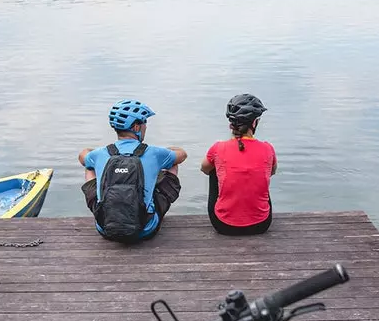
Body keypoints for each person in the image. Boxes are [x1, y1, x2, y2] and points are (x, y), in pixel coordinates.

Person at [79, 100, 187, 242]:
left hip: (105, 228)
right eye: (144, 123)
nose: (145, 127)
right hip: (145, 229)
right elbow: (182, 155)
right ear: (136, 127)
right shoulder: (154, 153)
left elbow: (82, 156)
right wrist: (166, 152)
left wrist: (93, 154)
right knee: (172, 163)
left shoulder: (100, 153)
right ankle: (151, 210)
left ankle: (107, 213)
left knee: (89, 167)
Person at [201, 94, 275, 235]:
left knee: (213, 169)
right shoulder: (268, 148)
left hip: (223, 225)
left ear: (231, 124)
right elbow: (272, 172)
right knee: (263, 171)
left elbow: (204, 168)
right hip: (262, 224)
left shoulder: (218, 148)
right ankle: (254, 210)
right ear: (254, 123)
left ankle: (230, 211)